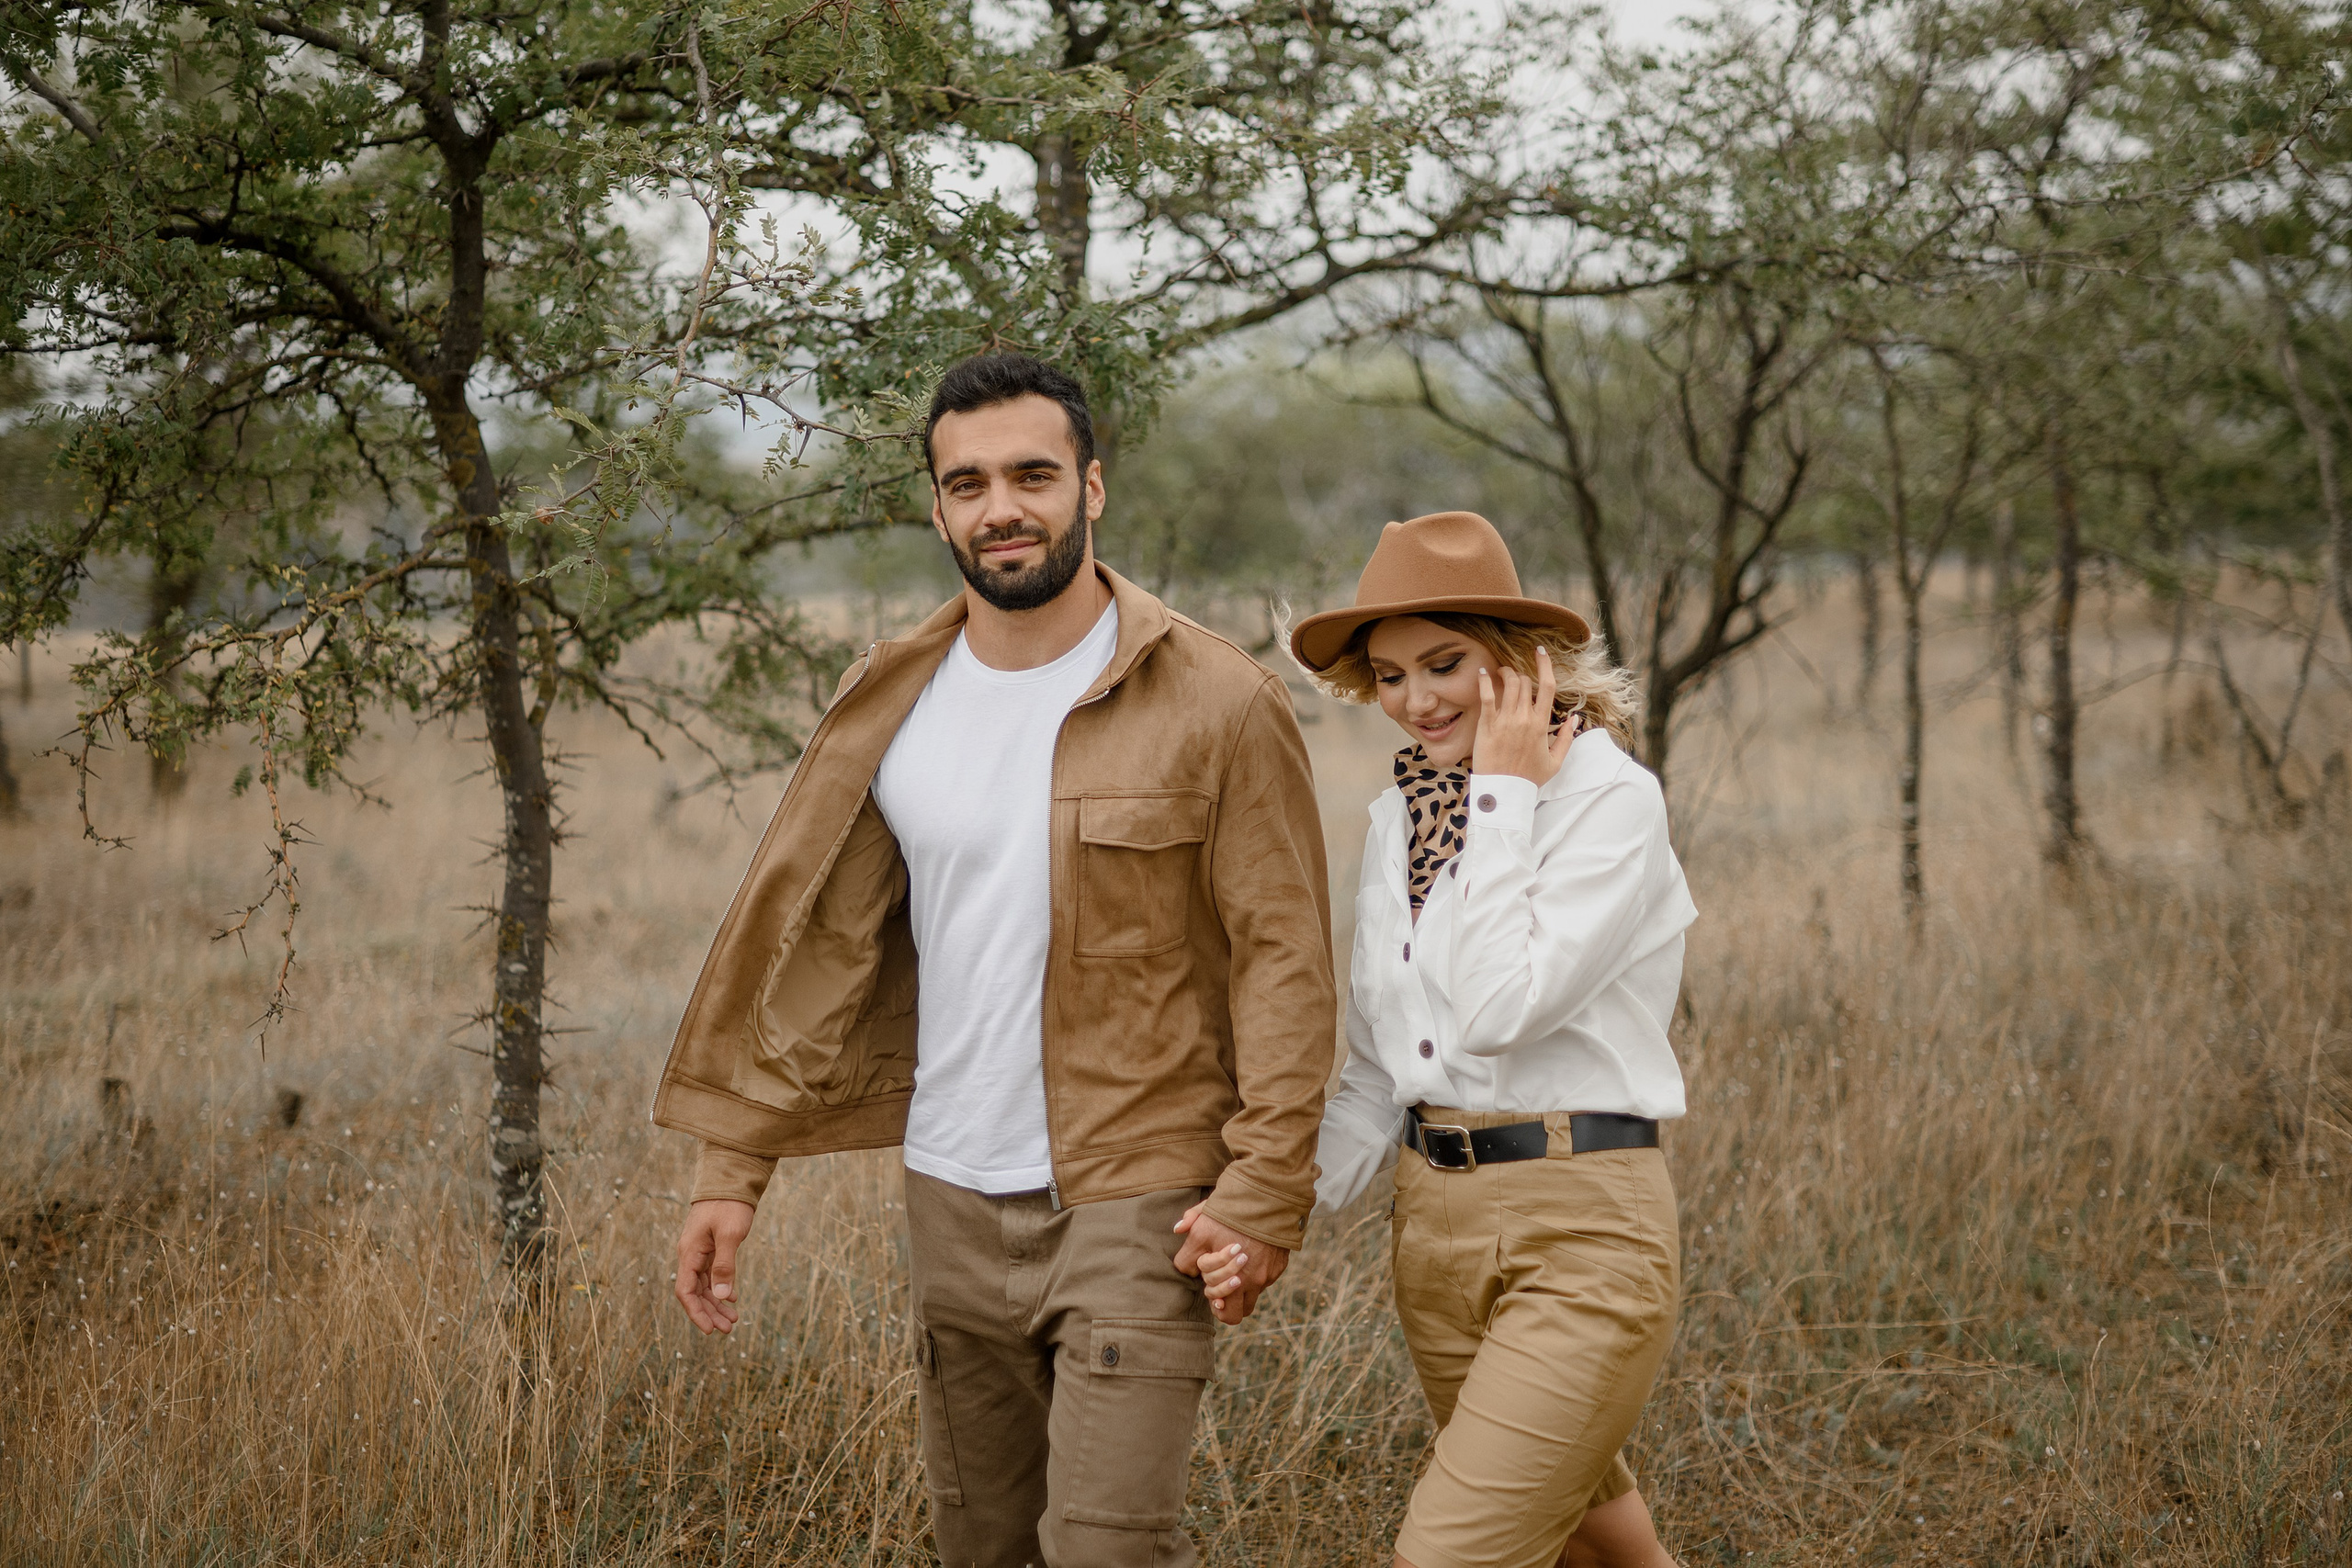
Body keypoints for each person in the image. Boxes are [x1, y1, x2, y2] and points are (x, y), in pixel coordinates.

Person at [652, 353, 1337, 1568]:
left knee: (1107, 1547)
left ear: (1093, 485)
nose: (1000, 506)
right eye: (967, 483)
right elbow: (818, 950)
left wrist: (1265, 1187)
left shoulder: (1218, 699)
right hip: (949, 1190)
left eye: (1032, 473)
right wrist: (732, 1163)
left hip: (1137, 1187)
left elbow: (1285, 961)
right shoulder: (890, 698)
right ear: (937, 506)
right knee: (983, 1544)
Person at [1199, 511, 1693, 1568]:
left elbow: (1499, 1007)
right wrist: (1267, 1212)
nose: (1416, 701)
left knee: (1451, 1551)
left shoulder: (1610, 801)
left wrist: (1504, 793)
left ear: (1518, 661)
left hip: (1584, 1224)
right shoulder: (1401, 820)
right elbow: (1384, 1073)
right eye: (1388, 676)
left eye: (1445, 663)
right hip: (1434, 1230)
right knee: (1593, 1537)